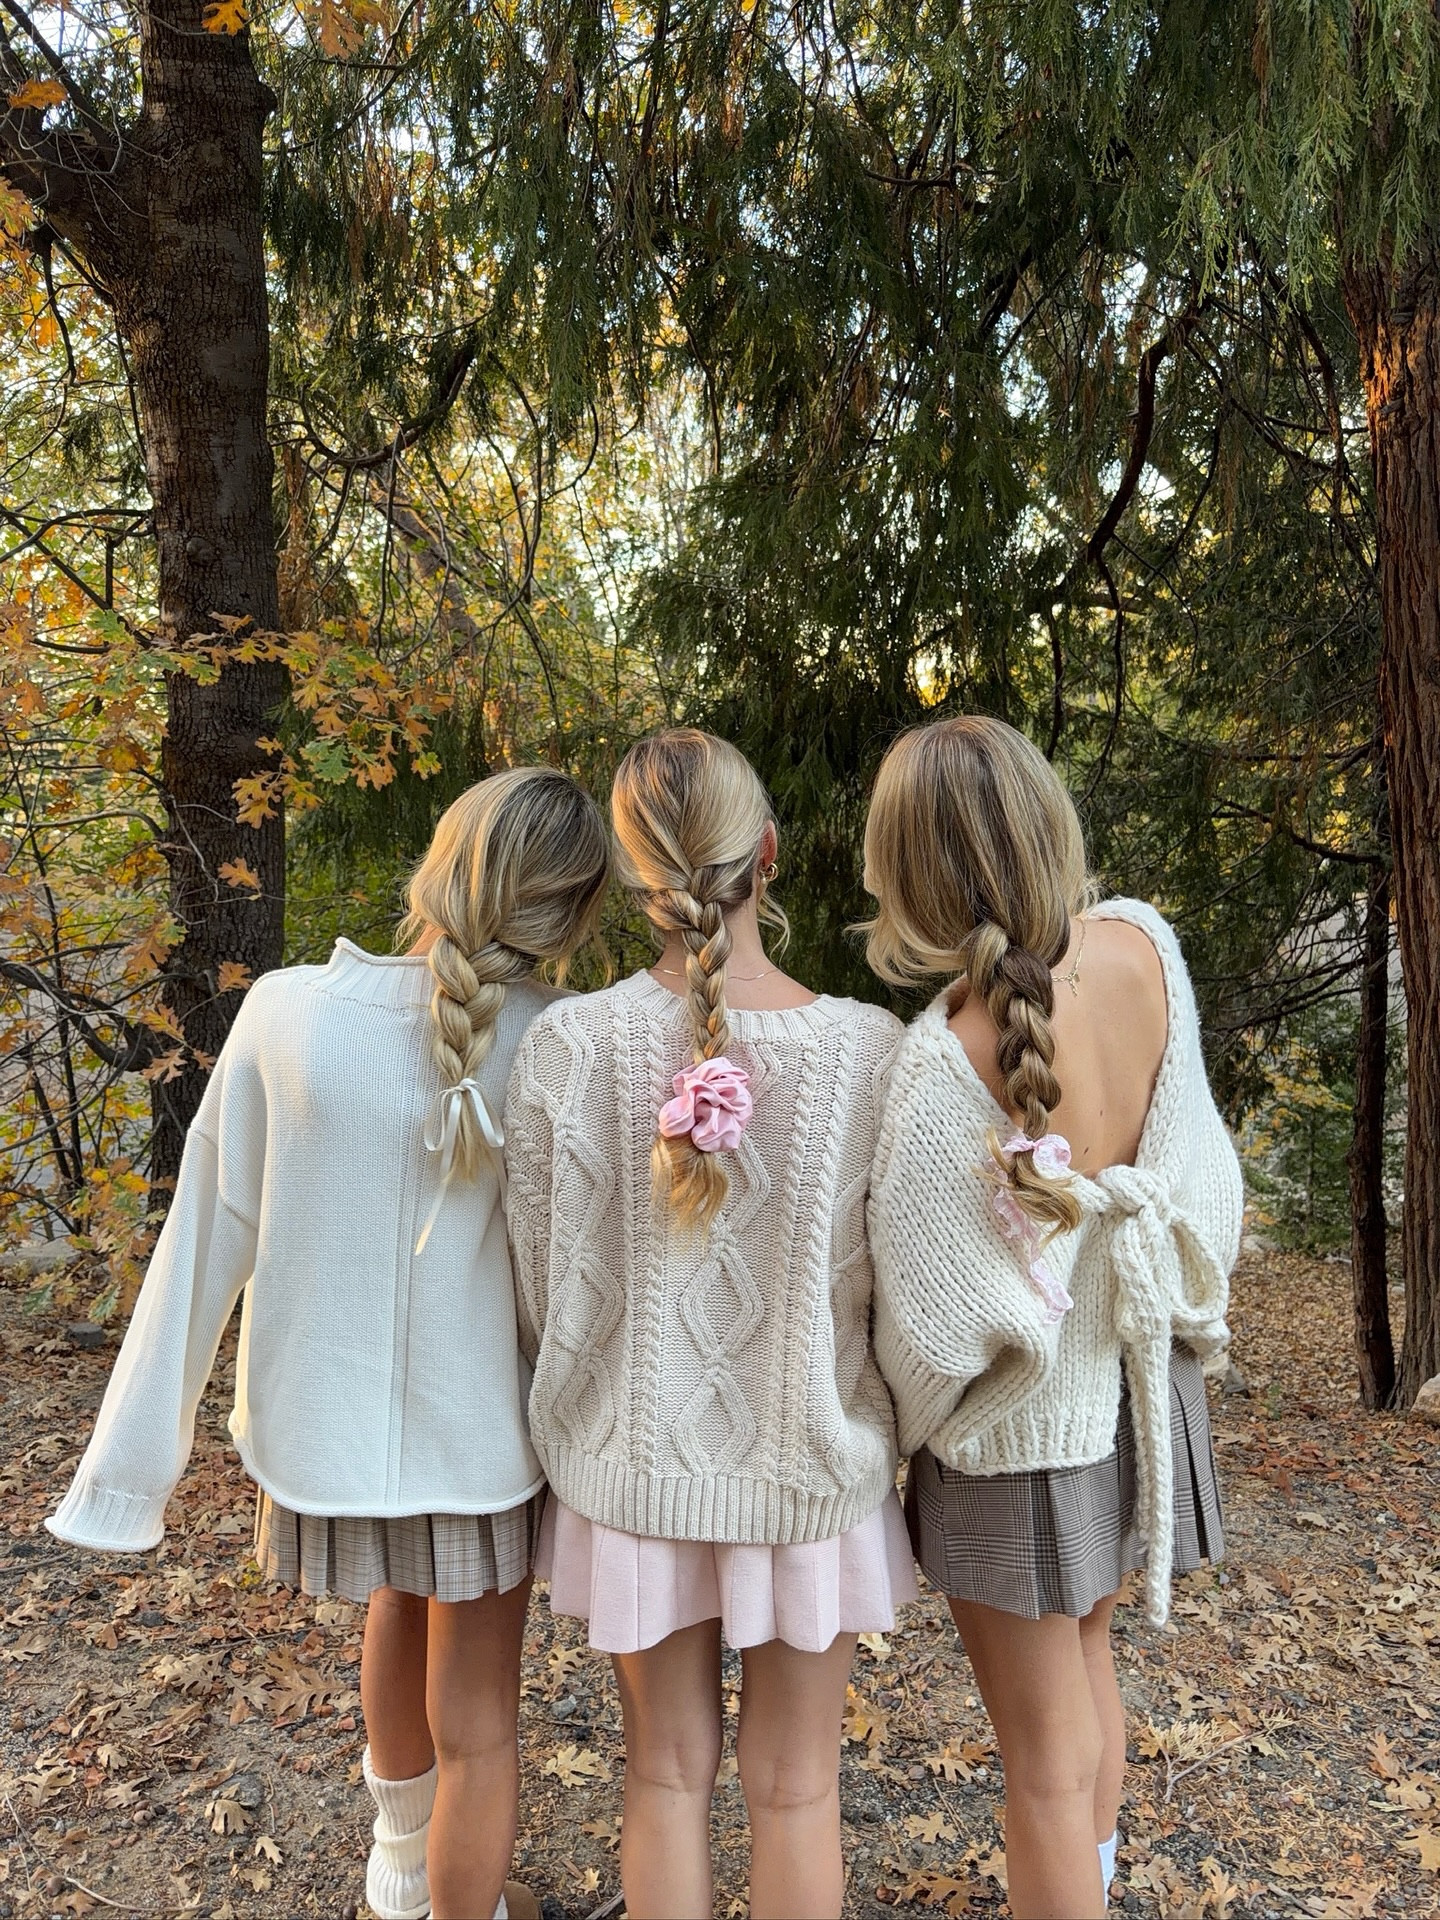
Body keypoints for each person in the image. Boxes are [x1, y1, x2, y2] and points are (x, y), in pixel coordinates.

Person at [47, 767, 610, 1920]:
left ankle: (402, 1868)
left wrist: (125, 1480)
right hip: (486, 1436)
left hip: (327, 1425)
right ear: (570, 911)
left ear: (437, 863)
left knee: (397, 1605)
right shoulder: (572, 1044)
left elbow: (205, 1235)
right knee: (484, 1725)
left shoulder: (288, 1009)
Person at [504, 728, 917, 1920]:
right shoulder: (867, 1052)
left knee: (664, 1774)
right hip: (808, 1473)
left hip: (633, 1480)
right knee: (797, 1790)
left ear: (631, 884)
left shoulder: (566, 1048)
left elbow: (541, 1285)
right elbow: (893, 1293)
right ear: (770, 856)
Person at [862, 717, 1243, 1920]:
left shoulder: (938, 1065)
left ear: (910, 875)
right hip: (1137, 1391)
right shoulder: (1147, 949)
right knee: (1087, 1688)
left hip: (1020, 1446)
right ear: (1048, 823)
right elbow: (1207, 1178)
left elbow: (930, 1338)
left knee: (1040, 1763)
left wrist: (893, 1444)